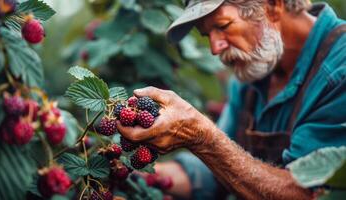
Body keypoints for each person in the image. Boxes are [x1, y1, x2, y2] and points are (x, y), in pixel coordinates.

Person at [117, 0, 346, 199]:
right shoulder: (253, 70)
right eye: (208, 35)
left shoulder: (339, 71)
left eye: (223, 26)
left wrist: (203, 137)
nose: (215, 48)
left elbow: (311, 194)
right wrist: (123, 172)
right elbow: (220, 170)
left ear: (273, 5)